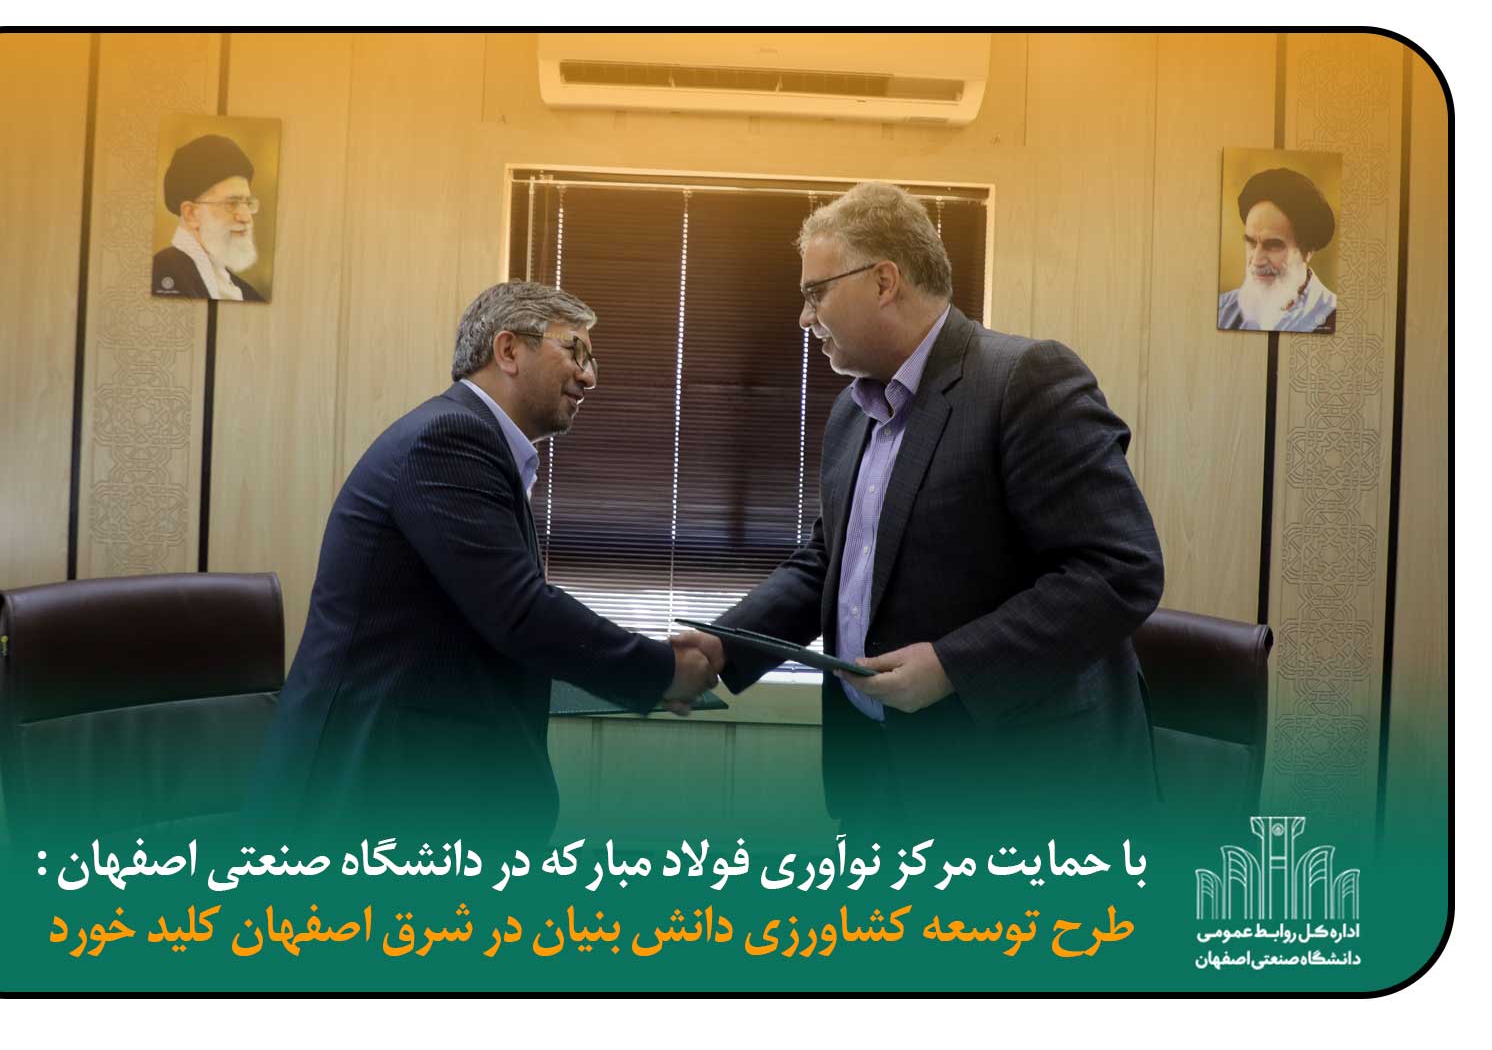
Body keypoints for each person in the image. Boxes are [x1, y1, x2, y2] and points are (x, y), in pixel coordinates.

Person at [675, 182, 1164, 828]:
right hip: (877, 780)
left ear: (884, 281)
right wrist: (724, 644)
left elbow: (1119, 570)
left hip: (1016, 786)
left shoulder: (1025, 379)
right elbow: (830, 562)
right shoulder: (852, 413)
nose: (804, 318)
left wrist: (954, 666)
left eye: (816, 293)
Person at [248, 281, 720, 840]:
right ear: (508, 350)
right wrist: (661, 671)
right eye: (575, 350)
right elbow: (518, 611)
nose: (589, 376)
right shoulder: (449, 438)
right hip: (368, 789)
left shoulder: (476, 442)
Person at [1218, 167, 1338, 332]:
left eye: (1272, 245)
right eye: (1251, 243)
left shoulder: (1334, 319)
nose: (1257, 260)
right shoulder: (1222, 311)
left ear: (1307, 251)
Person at [151, 133, 267, 302]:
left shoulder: (247, 293)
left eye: (248, 203)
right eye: (231, 203)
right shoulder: (162, 274)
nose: (246, 217)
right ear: (191, 213)